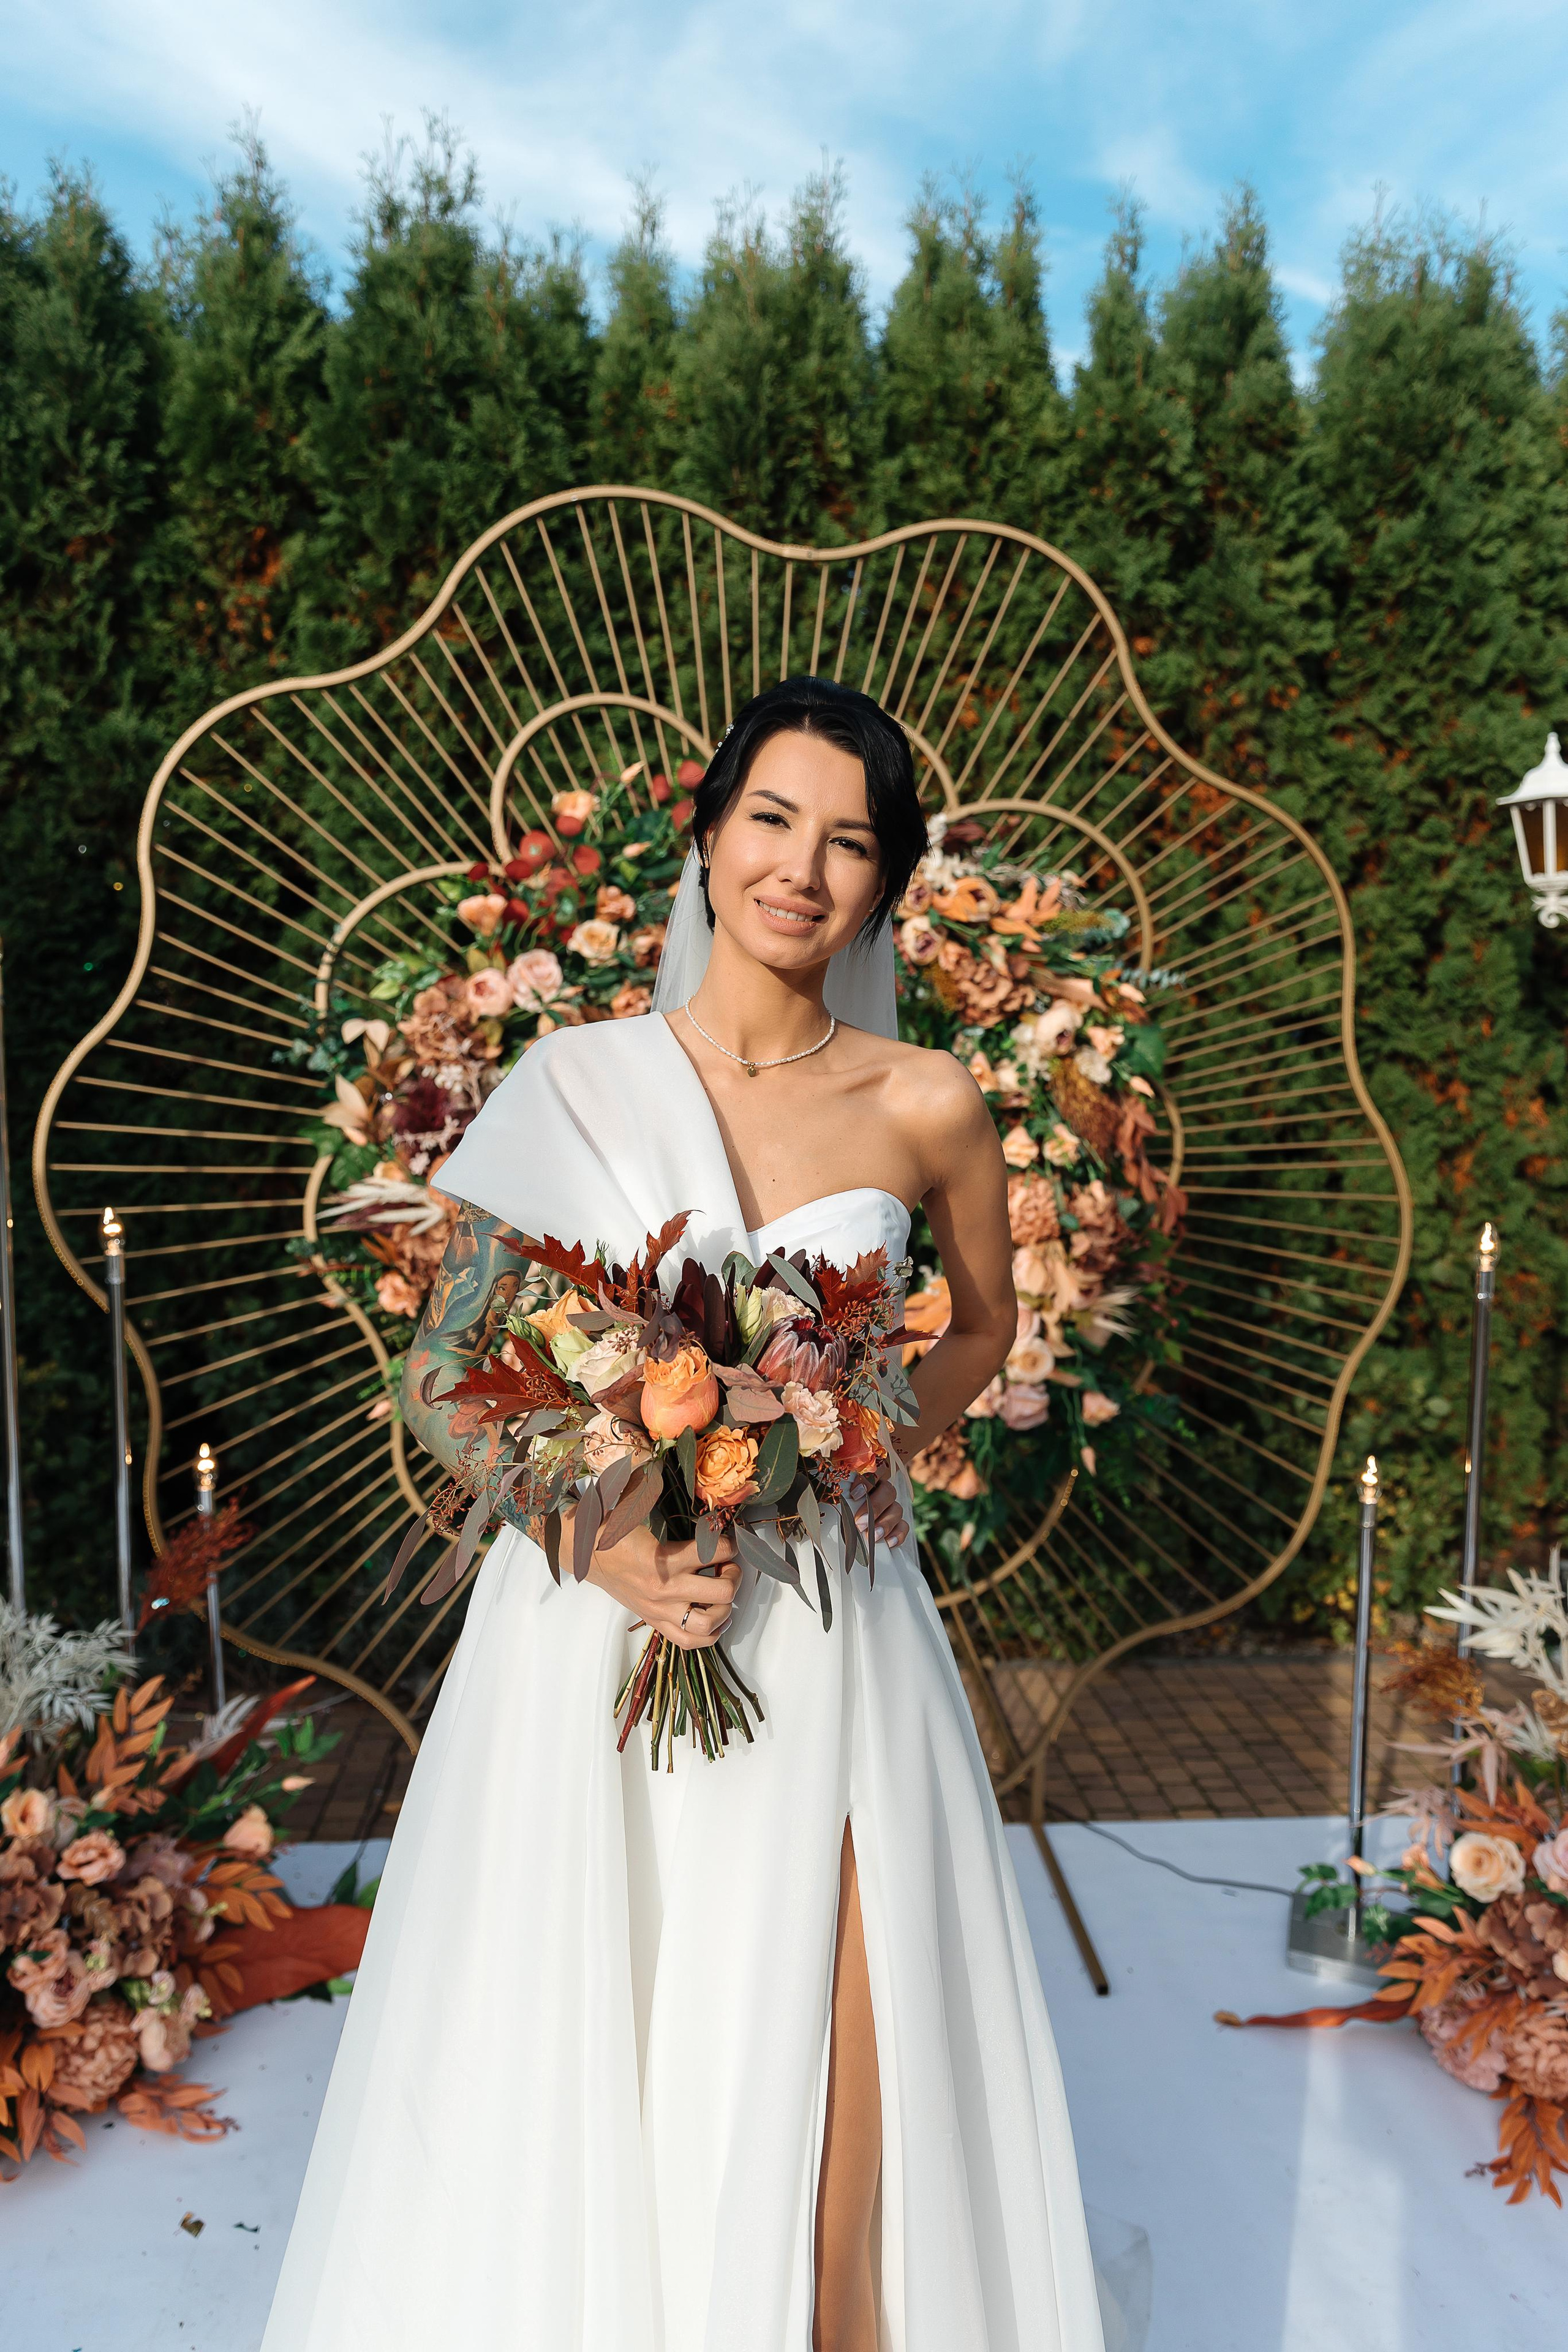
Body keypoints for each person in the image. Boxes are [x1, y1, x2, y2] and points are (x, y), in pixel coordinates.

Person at [262, 676, 1108, 2351]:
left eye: (852, 842)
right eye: (774, 821)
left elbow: (992, 1331)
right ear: (709, 838)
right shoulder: (570, 1083)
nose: (804, 868)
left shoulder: (929, 1101)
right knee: (622, 2051)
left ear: (888, 882)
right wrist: (604, 1540)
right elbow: (438, 1375)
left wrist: (857, 1447)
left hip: (841, 1635)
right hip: (603, 1639)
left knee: (856, 2083)